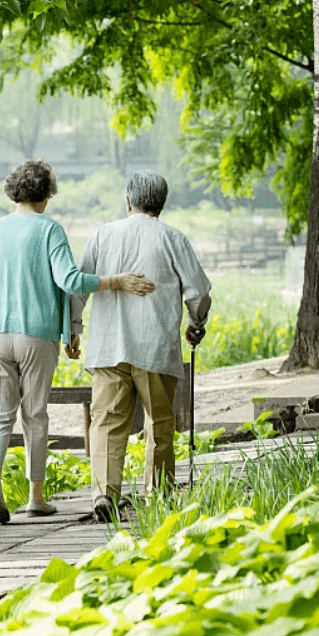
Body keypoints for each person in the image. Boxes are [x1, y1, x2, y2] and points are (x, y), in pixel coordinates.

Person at [0, 159, 155, 525]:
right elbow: (71, 281)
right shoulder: (49, 229)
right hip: (36, 333)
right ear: (45, 194)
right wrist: (115, 281)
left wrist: (69, 328)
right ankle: (36, 497)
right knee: (34, 414)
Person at [71, 170, 211, 522]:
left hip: (107, 346)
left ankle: (105, 494)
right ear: (161, 205)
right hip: (154, 346)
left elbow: (80, 286)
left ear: (128, 200)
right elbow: (198, 292)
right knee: (160, 422)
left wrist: (74, 328)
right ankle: (158, 494)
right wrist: (196, 324)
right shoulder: (173, 238)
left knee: (106, 422)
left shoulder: (103, 235)